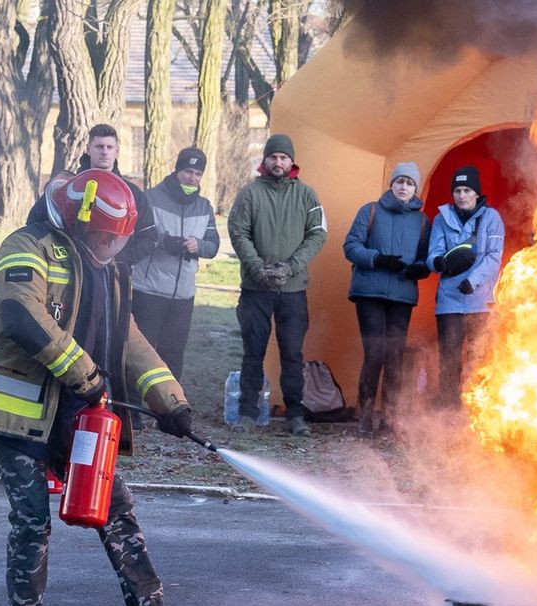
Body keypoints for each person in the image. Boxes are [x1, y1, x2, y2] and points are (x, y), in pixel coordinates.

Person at [0, 169, 215, 606]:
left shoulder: (111, 271)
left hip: (75, 413)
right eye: (101, 237)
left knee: (116, 508)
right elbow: (21, 313)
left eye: (117, 240)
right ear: (74, 222)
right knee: (32, 520)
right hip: (14, 411)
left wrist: (169, 401)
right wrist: (85, 373)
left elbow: (129, 340)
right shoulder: (27, 247)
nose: (109, 247)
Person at [227, 133, 328, 436]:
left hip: (293, 290)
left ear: (292, 161)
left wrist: (292, 266)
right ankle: (247, 413)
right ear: (265, 160)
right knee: (252, 353)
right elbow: (238, 231)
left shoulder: (307, 196)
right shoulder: (249, 194)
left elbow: (318, 234)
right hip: (256, 290)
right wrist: (257, 268)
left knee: (292, 354)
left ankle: (295, 414)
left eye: (284, 157)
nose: (278, 162)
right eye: (273, 157)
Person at [76, 123, 157, 430]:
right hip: (76, 281)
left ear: (118, 151)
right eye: (99, 146)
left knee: (116, 343)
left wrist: (115, 258)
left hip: (114, 283)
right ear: (88, 149)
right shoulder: (72, 185)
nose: (104, 152)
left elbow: (150, 237)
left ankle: (124, 408)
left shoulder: (132, 193)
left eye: (110, 147)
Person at [342, 162, 432, 436]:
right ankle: (366, 417)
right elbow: (351, 246)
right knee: (375, 354)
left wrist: (422, 267)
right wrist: (377, 258)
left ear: (416, 189)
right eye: (400, 181)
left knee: (395, 357)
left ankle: (390, 419)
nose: (404, 187)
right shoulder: (370, 211)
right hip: (370, 292)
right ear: (391, 184)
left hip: (402, 295)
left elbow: (426, 256)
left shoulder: (422, 221)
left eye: (409, 183)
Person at [130, 146, 220, 382]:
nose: (192, 178)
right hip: (148, 290)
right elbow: (133, 236)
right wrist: (162, 241)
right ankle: (135, 411)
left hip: (183, 296)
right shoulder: (149, 198)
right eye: (188, 171)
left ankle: (169, 408)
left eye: (198, 174)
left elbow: (213, 245)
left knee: (173, 354)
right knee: (141, 352)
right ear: (177, 170)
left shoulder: (204, 207)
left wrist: (197, 245)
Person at [428, 165, 505, 409]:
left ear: (477, 193)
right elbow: (433, 253)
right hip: (449, 302)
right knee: (449, 361)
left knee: (478, 359)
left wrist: (473, 281)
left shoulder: (491, 218)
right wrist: (437, 262)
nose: (462, 195)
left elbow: (494, 257)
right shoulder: (442, 219)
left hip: (480, 301)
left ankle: (475, 413)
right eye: (458, 190)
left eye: (467, 190)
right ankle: (449, 412)